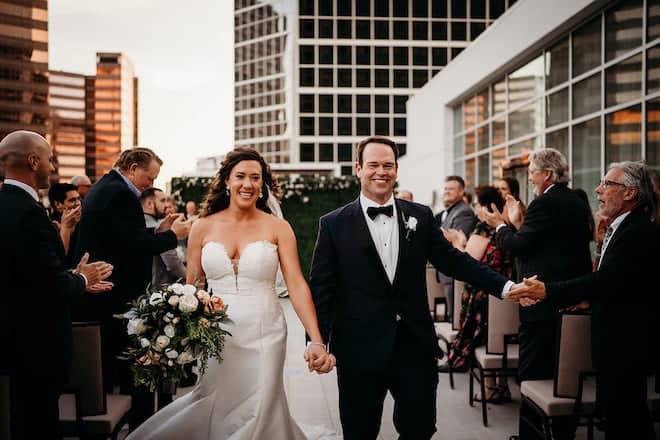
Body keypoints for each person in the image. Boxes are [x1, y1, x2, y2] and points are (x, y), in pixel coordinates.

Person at [309, 136, 516, 440]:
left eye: (388, 165)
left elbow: (455, 262)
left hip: (414, 345)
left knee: (420, 429)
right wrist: (317, 341)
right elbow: (321, 288)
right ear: (357, 168)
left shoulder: (419, 216)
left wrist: (506, 287)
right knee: (359, 432)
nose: (382, 171)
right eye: (373, 165)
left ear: (396, 169)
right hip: (358, 349)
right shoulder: (333, 224)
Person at [128, 147, 337, 440]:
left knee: (261, 407)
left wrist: (316, 339)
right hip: (217, 334)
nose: (248, 184)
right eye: (240, 176)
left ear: (262, 184)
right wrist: (177, 332)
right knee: (218, 402)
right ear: (226, 180)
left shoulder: (279, 228)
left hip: (267, 330)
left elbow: (297, 285)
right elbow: (192, 288)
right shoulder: (202, 226)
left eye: (255, 177)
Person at [508, 161, 658, 440]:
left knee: (628, 419)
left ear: (630, 193)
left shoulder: (638, 231)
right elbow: (620, 281)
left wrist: (548, 290)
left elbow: (606, 279)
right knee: (620, 416)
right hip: (615, 337)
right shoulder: (623, 227)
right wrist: (590, 301)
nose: (598, 190)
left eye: (607, 184)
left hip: (626, 341)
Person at [0, 130, 113, 439]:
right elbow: (48, 286)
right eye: (50, 159)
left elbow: (28, 274)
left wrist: (73, 277)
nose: (52, 165)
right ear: (33, 161)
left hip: (11, 341)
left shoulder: (6, 205)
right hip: (35, 346)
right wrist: (80, 278)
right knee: (37, 425)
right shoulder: (28, 213)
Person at [74, 147, 191, 430]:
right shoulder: (120, 194)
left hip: (107, 293)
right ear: (133, 167)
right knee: (137, 371)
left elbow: (123, 237)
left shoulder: (106, 187)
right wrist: (172, 237)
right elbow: (133, 247)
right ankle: (142, 429)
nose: (149, 185)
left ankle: (140, 426)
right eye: (149, 178)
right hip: (116, 296)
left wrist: (159, 231)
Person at [484, 148, 593, 440]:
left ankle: (532, 435)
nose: (530, 178)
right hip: (570, 298)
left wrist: (502, 227)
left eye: (532, 172)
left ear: (546, 174)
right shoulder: (577, 200)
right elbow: (545, 245)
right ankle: (559, 433)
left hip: (541, 301)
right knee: (563, 375)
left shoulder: (544, 203)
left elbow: (519, 246)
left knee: (532, 372)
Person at [442, 186, 514, 392]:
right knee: (498, 339)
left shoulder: (484, 228)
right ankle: (500, 386)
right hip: (504, 290)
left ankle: (491, 389)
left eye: (475, 204)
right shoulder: (507, 228)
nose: (474, 208)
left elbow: (468, 261)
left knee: (484, 339)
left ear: (485, 207)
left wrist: (456, 241)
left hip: (484, 293)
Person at [435, 175, 478, 323]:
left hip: (454, 272)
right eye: (445, 188)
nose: (446, 191)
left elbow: (458, 239)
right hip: (446, 272)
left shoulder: (463, 212)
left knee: (455, 319)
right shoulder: (450, 211)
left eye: (451, 189)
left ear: (461, 192)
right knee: (450, 316)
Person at [140, 188, 186, 287]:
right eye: (162, 201)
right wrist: (190, 278)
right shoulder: (157, 227)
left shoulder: (137, 225)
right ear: (149, 204)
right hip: (159, 288)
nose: (166, 205)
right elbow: (172, 262)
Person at [48, 182, 82, 264]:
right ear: (58, 204)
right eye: (72, 200)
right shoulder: (50, 227)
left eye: (79, 198)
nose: (78, 203)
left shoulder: (82, 222)